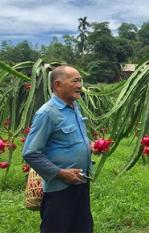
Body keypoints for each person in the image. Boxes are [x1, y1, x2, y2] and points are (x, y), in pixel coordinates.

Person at [23, 65, 93, 233]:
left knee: (82, 228)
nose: (80, 85)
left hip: (81, 182)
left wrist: (88, 146)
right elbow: (30, 153)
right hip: (59, 190)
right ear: (58, 84)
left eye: (80, 81)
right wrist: (61, 173)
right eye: (75, 81)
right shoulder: (47, 113)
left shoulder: (74, 107)